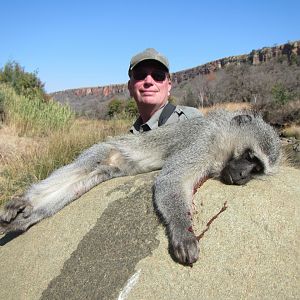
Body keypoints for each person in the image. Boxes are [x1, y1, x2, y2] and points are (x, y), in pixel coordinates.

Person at [127, 48, 203, 134]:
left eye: (158, 75)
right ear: (130, 87)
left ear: (169, 85)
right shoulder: (131, 136)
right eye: (140, 75)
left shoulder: (190, 120)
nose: (148, 81)